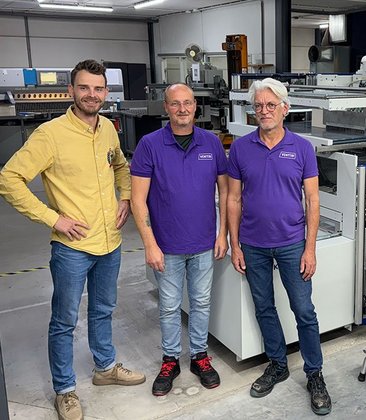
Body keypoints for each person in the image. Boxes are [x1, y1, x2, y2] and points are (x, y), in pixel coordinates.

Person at [0, 59, 145, 420]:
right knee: (64, 320)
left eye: (98, 89)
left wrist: (125, 197)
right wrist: (54, 218)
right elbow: (9, 178)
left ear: (106, 93)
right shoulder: (50, 134)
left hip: (109, 241)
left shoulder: (109, 129)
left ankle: (105, 368)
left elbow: (121, 165)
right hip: (72, 248)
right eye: (84, 88)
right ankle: (65, 390)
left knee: (103, 310)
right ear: (71, 91)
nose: (92, 95)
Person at [227, 78, 332, 416]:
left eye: (271, 105)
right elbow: (232, 198)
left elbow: (313, 201)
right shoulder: (241, 148)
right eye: (258, 106)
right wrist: (235, 244)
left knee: (304, 311)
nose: (264, 111)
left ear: (285, 109)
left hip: (291, 244)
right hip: (253, 244)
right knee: (265, 307)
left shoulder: (301, 148)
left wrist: (310, 248)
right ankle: (277, 363)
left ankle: (314, 374)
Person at [130, 83, 228, 396]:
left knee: (200, 303)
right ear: (166, 107)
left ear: (195, 107)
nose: (182, 109)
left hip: (203, 244)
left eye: (187, 103)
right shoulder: (149, 144)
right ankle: (170, 359)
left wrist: (222, 233)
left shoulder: (211, 143)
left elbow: (226, 191)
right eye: (175, 104)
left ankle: (199, 355)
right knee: (170, 306)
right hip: (166, 245)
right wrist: (149, 243)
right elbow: (137, 198)